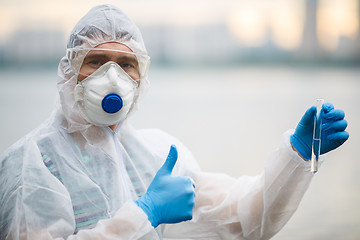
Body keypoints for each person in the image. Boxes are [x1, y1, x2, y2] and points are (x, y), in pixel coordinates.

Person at [0, 4, 349, 240]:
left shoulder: (156, 157)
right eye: (97, 61)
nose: (112, 76)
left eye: (126, 64)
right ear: (70, 71)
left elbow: (245, 219)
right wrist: (143, 214)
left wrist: (296, 156)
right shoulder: (32, 165)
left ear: (141, 78)